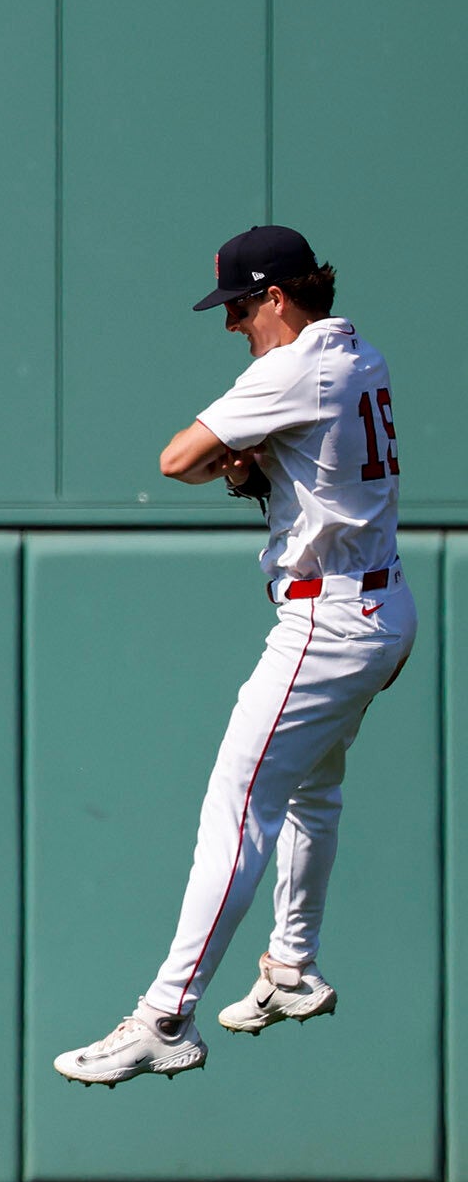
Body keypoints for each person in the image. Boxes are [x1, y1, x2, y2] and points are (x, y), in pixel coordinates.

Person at [56, 227, 413, 1087]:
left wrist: (225, 458)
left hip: (326, 622)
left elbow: (175, 458)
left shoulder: (293, 366)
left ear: (279, 297)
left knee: (237, 810)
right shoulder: (359, 354)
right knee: (311, 795)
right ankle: (291, 965)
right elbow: (305, 467)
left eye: (241, 306)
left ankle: (163, 1018)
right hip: (379, 607)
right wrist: (252, 468)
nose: (232, 324)